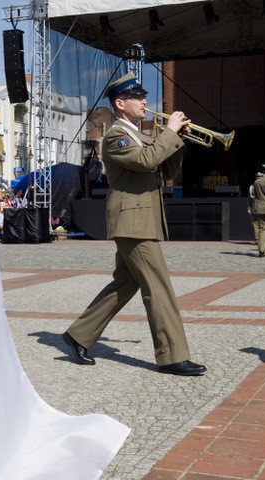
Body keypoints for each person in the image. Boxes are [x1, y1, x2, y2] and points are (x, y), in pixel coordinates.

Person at [61, 72, 206, 377]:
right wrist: (168, 132)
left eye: (143, 97)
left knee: (124, 284)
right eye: (138, 97)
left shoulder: (140, 134)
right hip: (133, 221)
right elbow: (145, 161)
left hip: (140, 218)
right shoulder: (117, 135)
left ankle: (78, 335)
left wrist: (177, 138)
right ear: (120, 103)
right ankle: (171, 356)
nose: (144, 101)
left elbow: (165, 170)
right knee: (159, 287)